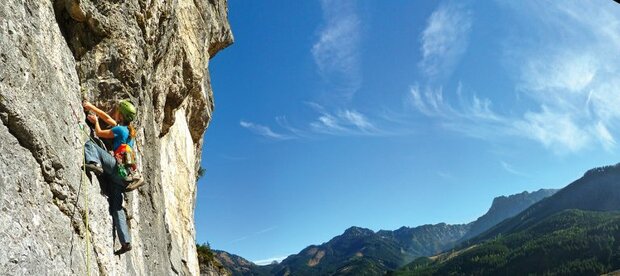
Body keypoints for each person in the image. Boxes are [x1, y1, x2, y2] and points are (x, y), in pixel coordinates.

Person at [82, 99, 142, 254]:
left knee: (90, 145)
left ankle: (94, 163)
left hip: (117, 169)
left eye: (117, 110)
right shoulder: (129, 133)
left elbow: (100, 133)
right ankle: (125, 241)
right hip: (123, 178)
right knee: (116, 207)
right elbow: (108, 119)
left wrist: (95, 121)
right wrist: (93, 108)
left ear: (120, 114)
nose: (114, 112)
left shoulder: (121, 130)